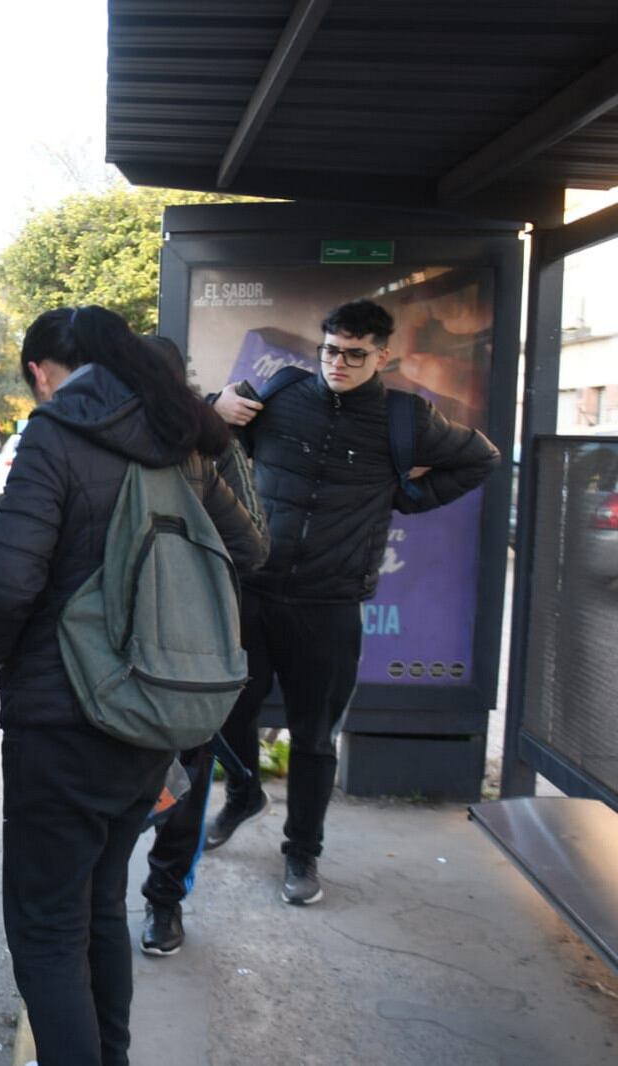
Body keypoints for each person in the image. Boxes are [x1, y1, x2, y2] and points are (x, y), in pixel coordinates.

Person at [0, 307, 266, 1066]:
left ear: (45, 371)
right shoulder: (183, 443)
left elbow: (7, 585)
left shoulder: (57, 436)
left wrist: (3, 656)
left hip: (60, 719)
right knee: (101, 904)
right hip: (155, 716)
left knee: (43, 926)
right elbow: (248, 550)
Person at [206, 299, 499, 906]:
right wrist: (215, 409)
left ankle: (302, 854)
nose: (337, 362)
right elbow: (207, 446)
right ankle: (243, 792)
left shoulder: (405, 420)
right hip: (254, 587)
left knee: (314, 737)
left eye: (354, 353)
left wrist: (408, 498)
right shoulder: (281, 391)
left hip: (329, 602)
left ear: (381, 356)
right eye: (330, 349)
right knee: (226, 710)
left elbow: (480, 458)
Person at [135, 334, 270, 958]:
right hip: (191, 646)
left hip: (142, 647)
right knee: (183, 773)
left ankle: (156, 901)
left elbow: (251, 543)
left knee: (176, 772)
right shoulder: (209, 446)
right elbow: (253, 545)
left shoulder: (205, 450)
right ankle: (162, 907)